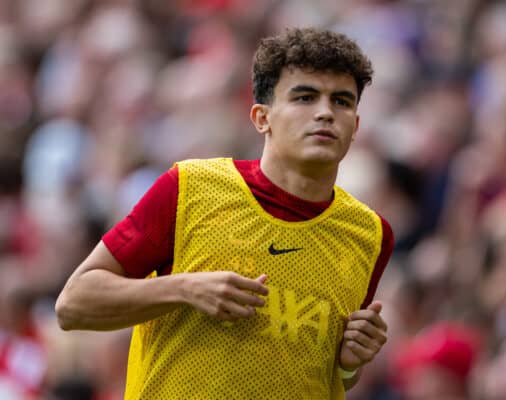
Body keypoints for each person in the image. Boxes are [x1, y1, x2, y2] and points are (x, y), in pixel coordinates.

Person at [55, 27, 394, 399]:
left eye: (342, 101)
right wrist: (184, 287)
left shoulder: (371, 234)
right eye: (305, 97)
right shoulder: (189, 187)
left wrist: (350, 363)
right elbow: (74, 304)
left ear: (356, 126)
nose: (326, 113)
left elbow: (329, 372)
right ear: (262, 118)